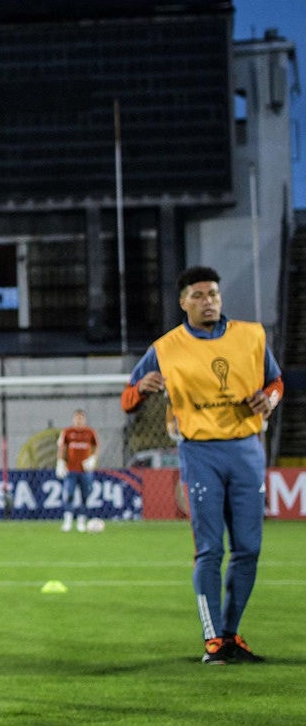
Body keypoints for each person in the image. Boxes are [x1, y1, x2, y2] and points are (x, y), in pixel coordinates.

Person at [121, 265, 282, 666]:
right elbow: (127, 398)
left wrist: (270, 400)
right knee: (210, 550)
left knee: (249, 549)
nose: (208, 301)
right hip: (200, 452)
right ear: (183, 302)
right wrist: (141, 388)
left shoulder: (252, 336)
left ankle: (231, 635)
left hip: (247, 449)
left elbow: (275, 383)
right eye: (198, 295)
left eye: (213, 294)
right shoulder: (166, 347)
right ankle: (212, 641)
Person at [55, 409, 99, 532]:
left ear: (84, 420)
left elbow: (96, 446)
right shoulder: (67, 432)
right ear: (73, 419)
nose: (79, 421)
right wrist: (60, 462)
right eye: (77, 418)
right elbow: (61, 448)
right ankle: (68, 520)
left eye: (81, 418)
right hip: (71, 469)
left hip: (85, 470)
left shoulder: (90, 432)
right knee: (69, 494)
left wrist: (93, 458)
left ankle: (81, 520)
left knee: (85, 495)